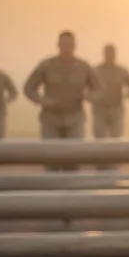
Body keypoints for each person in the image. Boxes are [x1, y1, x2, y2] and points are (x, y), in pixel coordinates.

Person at [23, 31, 101, 171]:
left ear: (75, 46)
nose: (67, 48)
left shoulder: (83, 67)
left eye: (70, 45)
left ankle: (72, 184)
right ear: (58, 45)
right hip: (51, 118)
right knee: (51, 159)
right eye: (65, 45)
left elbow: (98, 89)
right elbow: (29, 88)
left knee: (73, 159)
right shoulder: (46, 66)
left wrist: (89, 96)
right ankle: (52, 184)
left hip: (75, 118)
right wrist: (41, 100)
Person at [91, 44, 129, 141]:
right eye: (107, 53)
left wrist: (128, 95)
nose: (110, 56)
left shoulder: (122, 71)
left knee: (117, 138)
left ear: (115, 54)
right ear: (104, 54)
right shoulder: (95, 71)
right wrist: (92, 96)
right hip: (100, 108)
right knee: (99, 138)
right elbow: (86, 87)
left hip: (116, 108)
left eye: (112, 53)